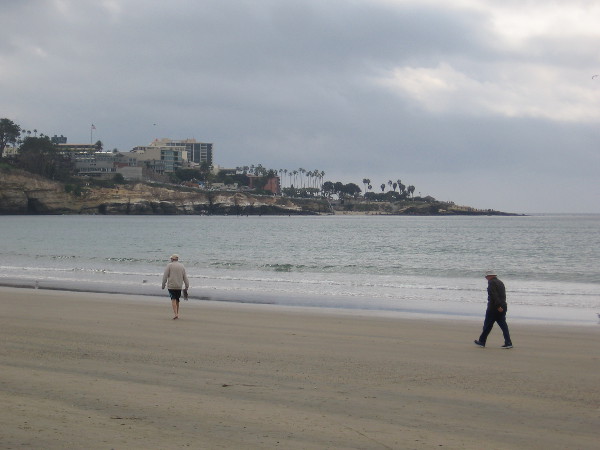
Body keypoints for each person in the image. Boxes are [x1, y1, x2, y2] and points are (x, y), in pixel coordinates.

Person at [474, 270, 513, 349]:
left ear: (490, 276)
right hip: (503, 305)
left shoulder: (491, 283)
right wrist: (501, 306)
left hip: (494, 307)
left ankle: (482, 341)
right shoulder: (500, 282)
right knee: (503, 325)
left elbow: (493, 295)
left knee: (487, 325)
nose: (486, 278)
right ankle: (508, 342)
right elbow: (502, 295)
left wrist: (498, 306)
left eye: (486, 276)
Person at [162, 254, 189, 320]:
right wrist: (187, 285)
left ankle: (176, 314)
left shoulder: (169, 265)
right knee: (177, 300)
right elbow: (185, 277)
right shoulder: (182, 266)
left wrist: (163, 284)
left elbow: (165, 276)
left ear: (172, 259)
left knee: (173, 299)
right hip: (179, 286)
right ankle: (177, 313)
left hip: (171, 286)